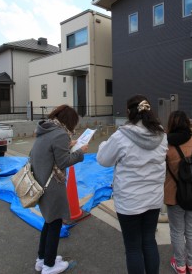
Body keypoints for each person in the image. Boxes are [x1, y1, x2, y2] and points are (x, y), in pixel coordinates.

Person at [97, 95, 168, 274]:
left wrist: (103, 144)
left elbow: (103, 160)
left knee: (133, 247)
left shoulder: (121, 136)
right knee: (149, 241)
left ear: (129, 112)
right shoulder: (162, 135)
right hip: (153, 198)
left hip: (129, 202)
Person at [30, 105, 89, 274]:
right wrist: (80, 151)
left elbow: (52, 151)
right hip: (52, 186)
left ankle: (41, 259)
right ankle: (49, 266)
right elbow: (63, 162)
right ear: (69, 121)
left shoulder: (47, 130)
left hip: (41, 182)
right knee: (55, 223)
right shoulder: (60, 134)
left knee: (49, 223)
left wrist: (70, 144)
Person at [164, 111, 192, 274]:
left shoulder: (166, 144)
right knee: (191, 229)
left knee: (176, 230)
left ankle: (180, 265)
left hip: (173, 194)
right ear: (187, 123)